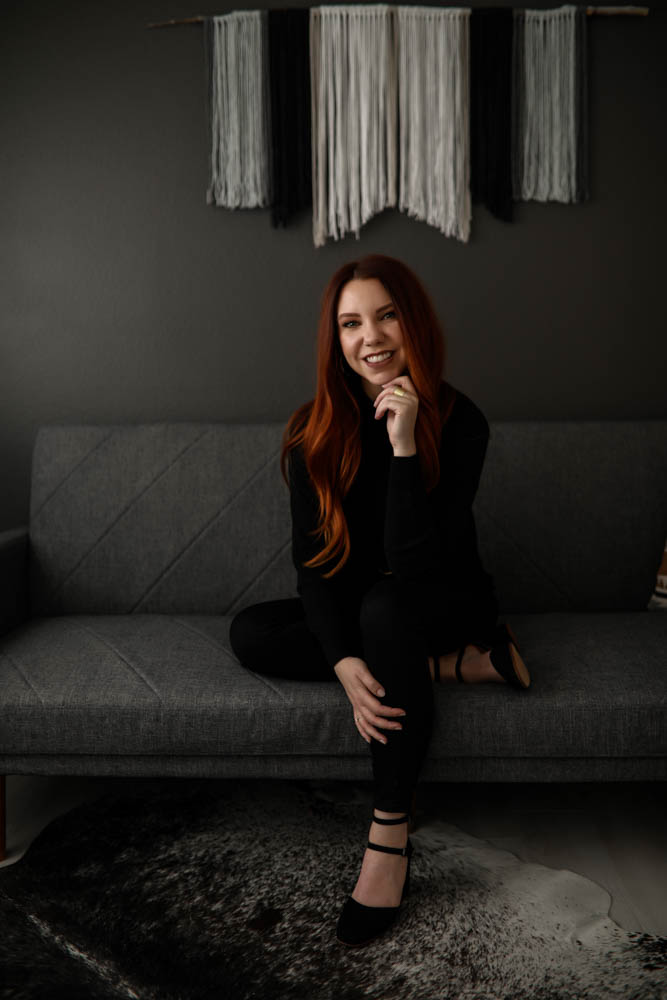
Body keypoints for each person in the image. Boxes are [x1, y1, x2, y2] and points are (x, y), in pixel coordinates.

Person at [229, 253, 531, 949]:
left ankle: (388, 831)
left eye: (386, 315)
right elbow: (312, 571)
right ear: (334, 339)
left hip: (440, 600)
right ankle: (457, 667)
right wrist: (339, 663)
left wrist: (401, 446)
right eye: (350, 323)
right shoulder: (311, 429)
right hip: (375, 616)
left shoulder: (459, 421)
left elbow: (412, 567)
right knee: (252, 632)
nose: (370, 336)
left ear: (413, 322)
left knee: (384, 608)